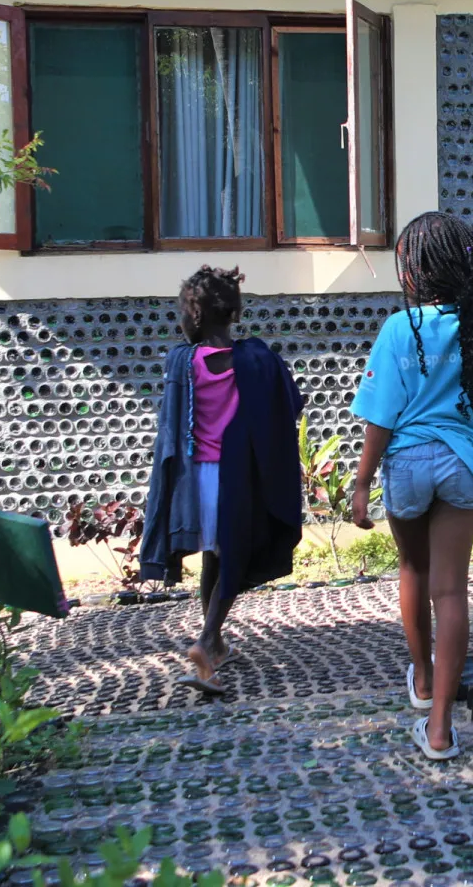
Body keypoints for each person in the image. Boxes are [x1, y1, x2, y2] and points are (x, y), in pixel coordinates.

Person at [349, 212, 473, 760]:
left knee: (413, 571)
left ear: (415, 270)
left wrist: (359, 486)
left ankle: (422, 681)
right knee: (451, 591)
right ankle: (442, 729)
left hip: (407, 462)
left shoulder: (401, 329)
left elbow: (380, 417)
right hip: (463, 464)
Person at [139, 266, 306, 694]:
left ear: (193, 316)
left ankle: (213, 646)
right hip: (236, 479)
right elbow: (291, 404)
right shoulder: (257, 358)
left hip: (195, 480)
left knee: (215, 557)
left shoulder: (183, 361)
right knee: (231, 559)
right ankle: (208, 638)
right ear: (232, 313)